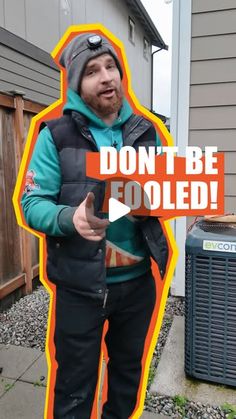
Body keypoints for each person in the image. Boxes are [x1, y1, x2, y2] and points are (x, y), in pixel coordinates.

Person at [21, 32, 169, 419]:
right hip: (80, 289)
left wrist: (155, 205)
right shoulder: (54, 136)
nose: (106, 77)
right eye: (92, 71)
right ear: (75, 85)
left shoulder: (146, 133)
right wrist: (70, 219)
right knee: (73, 388)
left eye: (111, 67)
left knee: (126, 382)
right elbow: (31, 204)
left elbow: (158, 195)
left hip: (137, 286)